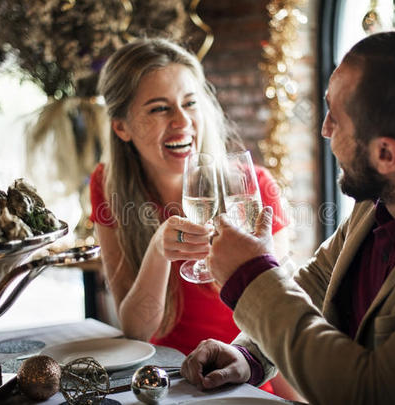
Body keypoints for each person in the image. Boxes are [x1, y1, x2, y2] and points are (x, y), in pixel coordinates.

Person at [181, 17, 395, 405]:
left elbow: (373, 394)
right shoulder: (388, 188)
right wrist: (251, 355)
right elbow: (319, 281)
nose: (325, 129)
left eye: (335, 116)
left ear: (386, 153)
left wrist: (251, 276)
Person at [89, 38, 302, 400]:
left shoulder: (252, 191)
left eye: (190, 103)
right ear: (122, 127)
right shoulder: (107, 185)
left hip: (242, 377)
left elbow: (279, 321)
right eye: (159, 109)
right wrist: (159, 247)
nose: (182, 121)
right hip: (166, 383)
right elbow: (137, 331)